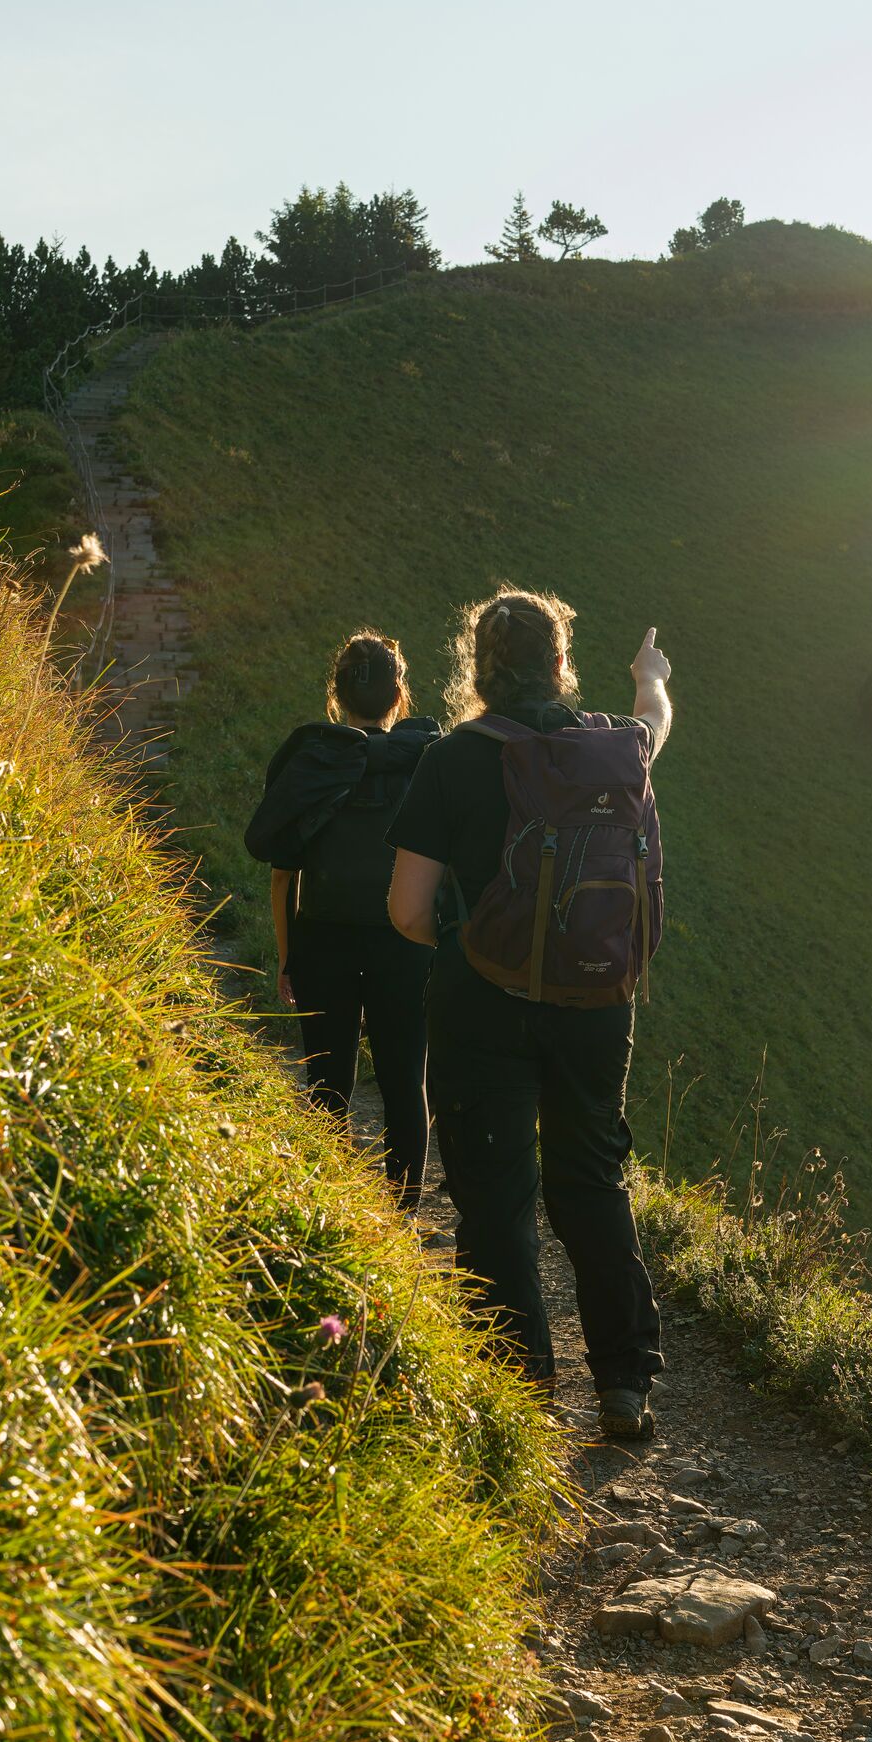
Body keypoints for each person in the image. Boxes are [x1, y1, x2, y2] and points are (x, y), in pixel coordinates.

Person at [386, 588, 675, 1443]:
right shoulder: (615, 749)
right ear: (559, 663)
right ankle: (623, 1382)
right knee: (591, 1179)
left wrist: (465, 939)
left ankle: (519, 1391)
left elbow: (407, 910)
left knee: (495, 1193)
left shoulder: (450, 760)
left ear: (476, 668)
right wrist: (650, 675)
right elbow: (656, 722)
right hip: (595, 999)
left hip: (481, 1003)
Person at [243, 630, 436, 1202]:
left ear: (337, 693)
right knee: (405, 1082)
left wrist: (287, 957)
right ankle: (400, 1217)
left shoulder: (313, 760)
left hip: (323, 940)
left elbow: (283, 873)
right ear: (400, 693)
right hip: (405, 942)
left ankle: (330, 1211)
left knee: (327, 1082)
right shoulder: (424, 760)